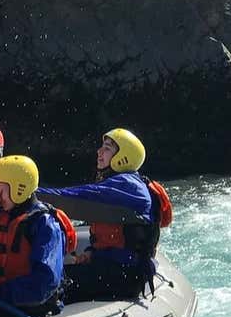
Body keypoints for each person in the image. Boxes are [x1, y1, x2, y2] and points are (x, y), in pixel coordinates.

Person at [37, 128, 172, 302]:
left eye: (107, 148)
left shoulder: (127, 185)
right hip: (116, 267)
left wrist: (29, 194)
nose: (99, 152)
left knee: (47, 285)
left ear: (123, 157)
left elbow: (72, 199)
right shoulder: (123, 183)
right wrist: (92, 252)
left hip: (124, 273)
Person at [0, 155, 76, 317]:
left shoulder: (45, 223)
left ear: (19, 188)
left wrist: (0, 292)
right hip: (1, 299)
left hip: (32, 306)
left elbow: (45, 283)